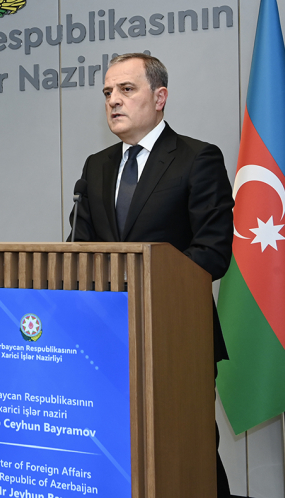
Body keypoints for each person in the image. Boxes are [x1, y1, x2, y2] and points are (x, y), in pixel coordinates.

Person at [69, 53, 235, 497]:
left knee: (187, 451)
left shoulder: (197, 158)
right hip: (106, 335)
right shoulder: (96, 166)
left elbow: (213, 251)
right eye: (108, 92)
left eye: (126, 89)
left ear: (160, 97)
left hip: (176, 335)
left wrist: (146, 286)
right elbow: (80, 248)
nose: (113, 101)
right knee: (117, 449)